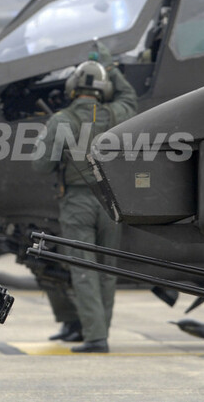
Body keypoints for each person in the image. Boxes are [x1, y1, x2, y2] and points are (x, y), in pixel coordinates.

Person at [32, 46, 138, 353]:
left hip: (77, 203)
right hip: (112, 202)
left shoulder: (61, 120)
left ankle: (95, 336)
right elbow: (129, 97)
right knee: (107, 268)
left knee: (83, 268)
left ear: (72, 89)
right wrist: (109, 66)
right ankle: (100, 331)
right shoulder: (117, 113)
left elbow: (40, 166)